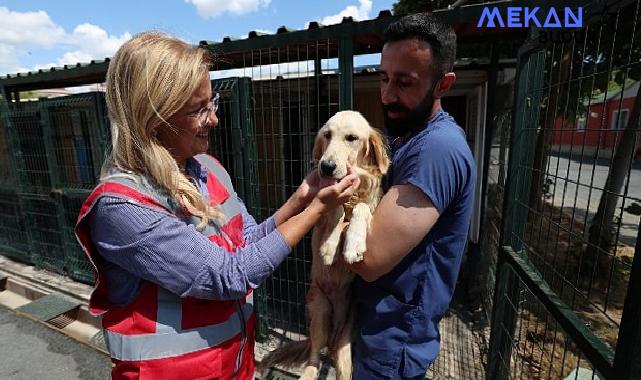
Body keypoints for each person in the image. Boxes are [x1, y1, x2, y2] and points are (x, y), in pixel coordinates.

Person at [74, 31, 359, 380]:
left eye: (213, 103)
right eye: (199, 109)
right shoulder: (123, 208)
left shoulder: (207, 170)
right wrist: (315, 212)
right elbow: (231, 275)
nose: (214, 119)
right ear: (155, 117)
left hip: (234, 367)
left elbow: (249, 240)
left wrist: (301, 198)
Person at [347, 14, 477, 379]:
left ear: (443, 84)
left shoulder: (435, 149)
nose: (387, 95)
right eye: (384, 78)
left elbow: (368, 258)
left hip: (394, 340)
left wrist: (327, 205)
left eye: (404, 82)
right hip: (379, 329)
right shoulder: (409, 137)